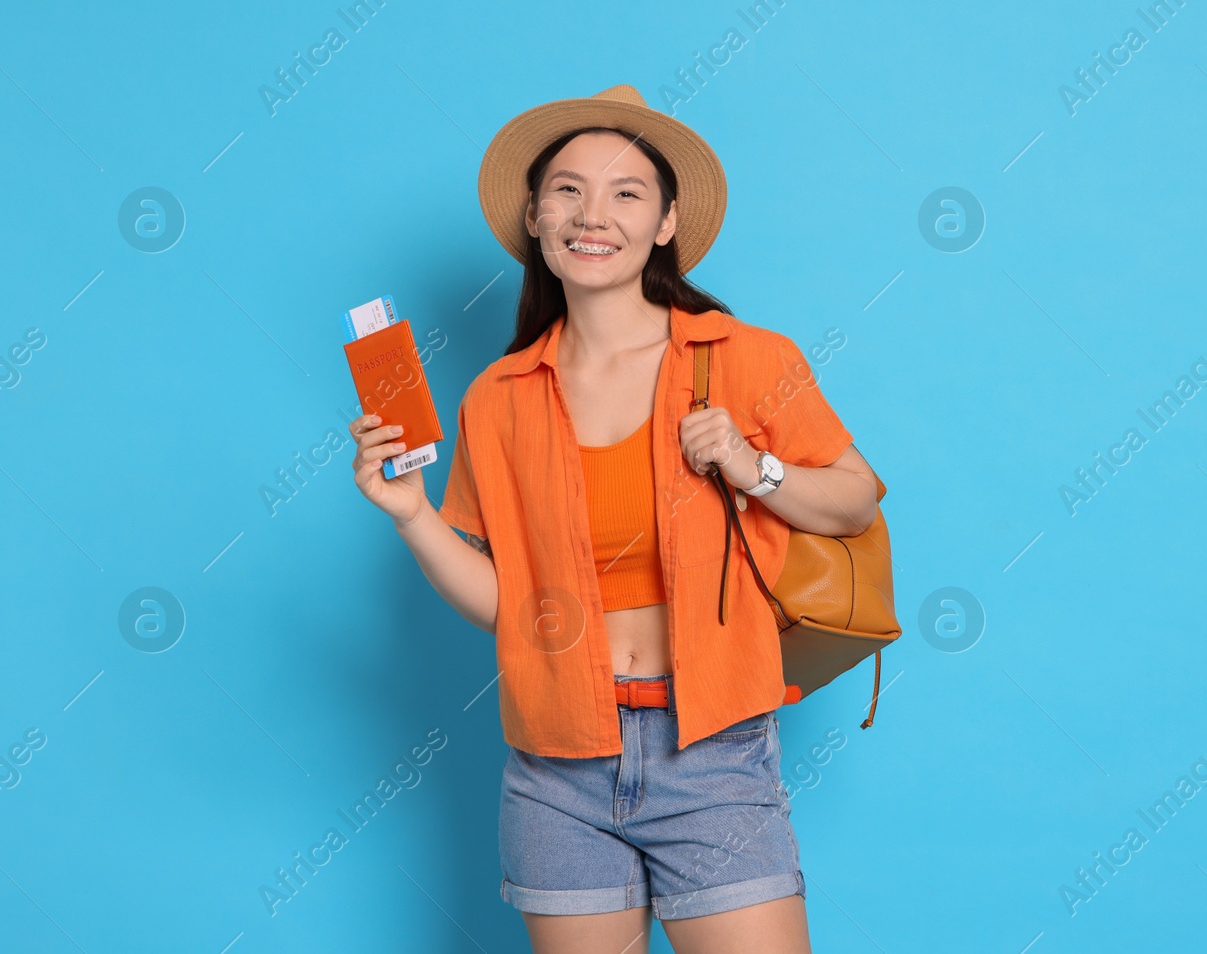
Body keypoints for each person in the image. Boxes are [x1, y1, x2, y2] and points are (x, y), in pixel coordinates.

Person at [350, 84, 878, 954]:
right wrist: (411, 514)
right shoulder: (500, 396)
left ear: (666, 223)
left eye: (626, 193)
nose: (592, 215)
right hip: (556, 761)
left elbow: (855, 498)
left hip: (711, 747)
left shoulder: (744, 356)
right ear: (534, 215)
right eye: (567, 190)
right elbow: (505, 605)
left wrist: (755, 468)